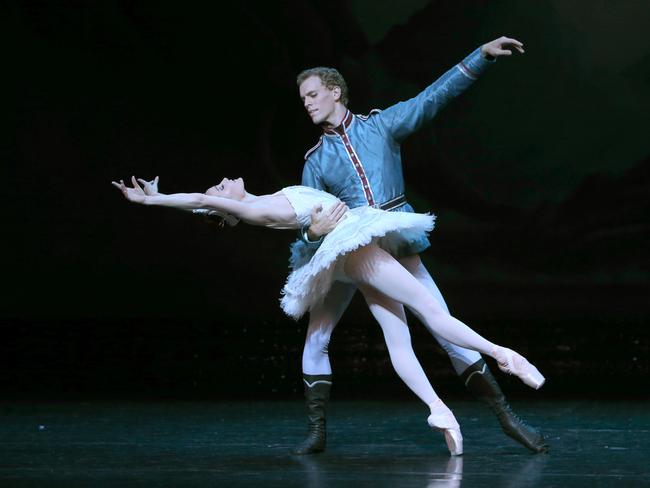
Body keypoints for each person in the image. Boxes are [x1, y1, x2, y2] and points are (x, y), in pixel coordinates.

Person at [112, 176, 546, 456]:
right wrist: (154, 200)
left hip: (347, 251)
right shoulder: (257, 209)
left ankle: (439, 411)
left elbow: (205, 201)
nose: (222, 182)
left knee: (397, 336)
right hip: (354, 252)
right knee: (430, 312)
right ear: (226, 210)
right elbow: (202, 199)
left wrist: (168, 199)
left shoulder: (263, 200)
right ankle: (503, 355)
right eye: (220, 190)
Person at [292, 36, 548, 454]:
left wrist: (479, 57)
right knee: (318, 338)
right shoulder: (316, 160)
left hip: (392, 245)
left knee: (444, 328)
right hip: (345, 254)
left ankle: (506, 417)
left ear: (335, 92)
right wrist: (313, 231)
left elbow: (432, 98)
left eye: (313, 94)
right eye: (302, 98)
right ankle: (317, 431)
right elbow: (300, 218)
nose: (307, 102)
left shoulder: (380, 126)